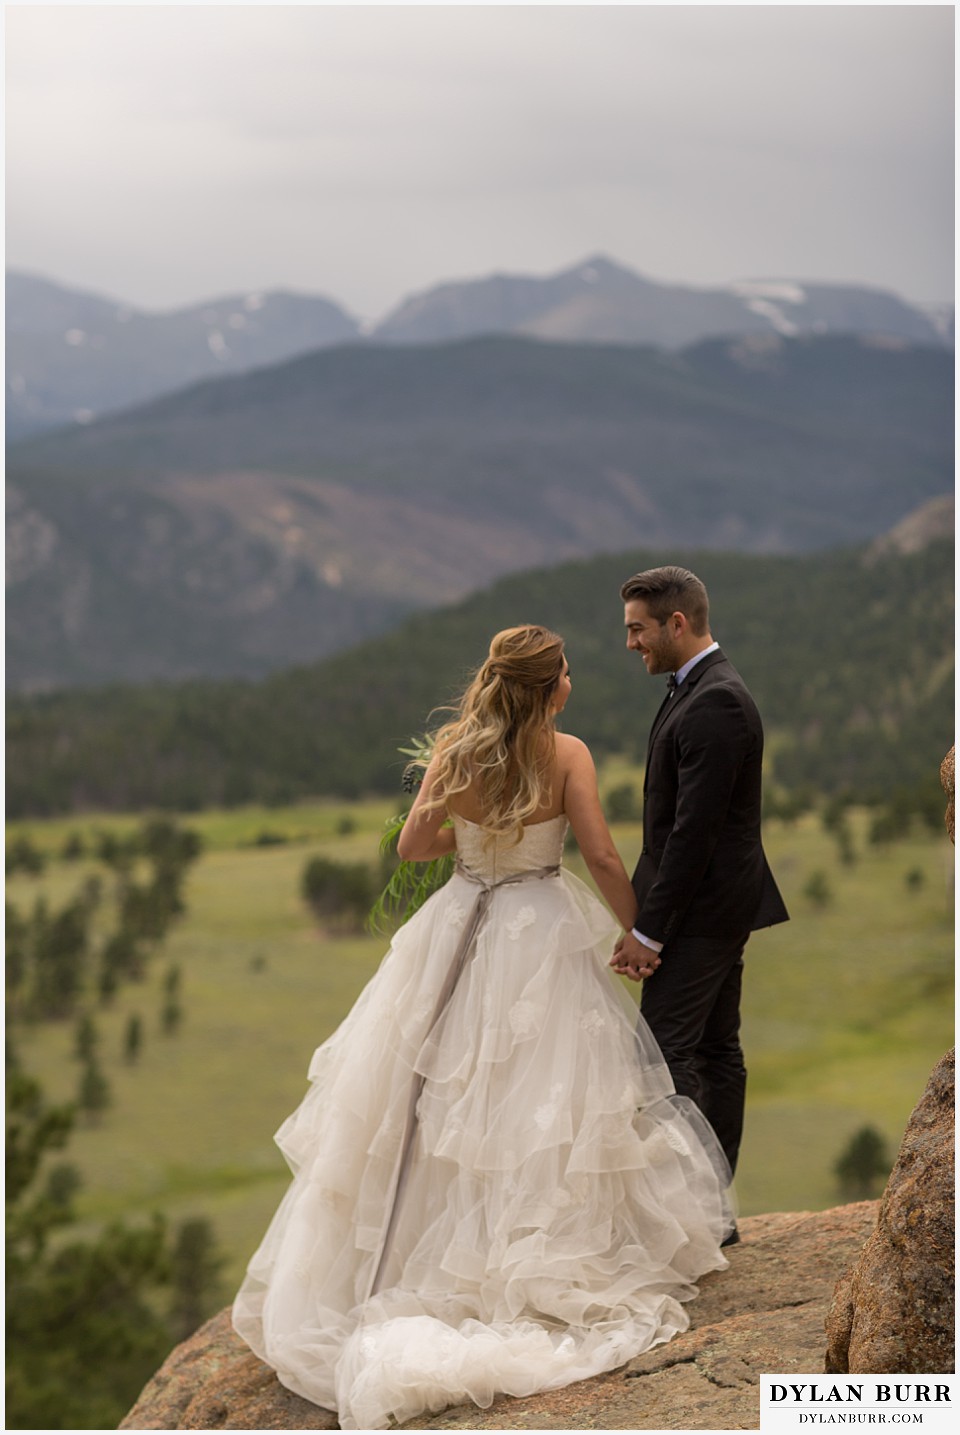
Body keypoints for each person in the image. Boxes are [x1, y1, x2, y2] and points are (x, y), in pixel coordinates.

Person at [233, 624, 734, 1430]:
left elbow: (412, 846)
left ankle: (406, 1260)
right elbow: (603, 856)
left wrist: (474, 836)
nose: (572, 679)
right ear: (550, 687)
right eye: (566, 670)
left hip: (460, 917)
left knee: (430, 1094)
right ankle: (517, 1259)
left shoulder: (457, 750)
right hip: (539, 921)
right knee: (539, 1094)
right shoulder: (566, 752)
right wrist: (643, 934)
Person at [611, 567, 789, 1190]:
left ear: (677, 624)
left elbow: (693, 834)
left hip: (701, 913)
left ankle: (687, 1207)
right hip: (709, 907)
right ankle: (711, 1210)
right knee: (715, 1051)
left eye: (638, 630)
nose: (631, 643)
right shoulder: (697, 686)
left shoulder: (716, 700)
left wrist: (650, 932)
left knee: (662, 1055)